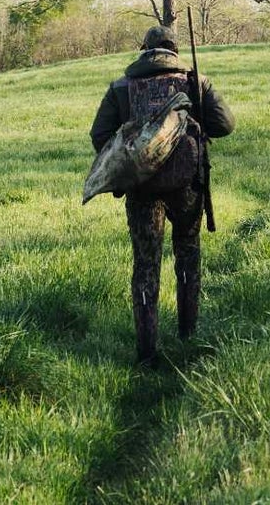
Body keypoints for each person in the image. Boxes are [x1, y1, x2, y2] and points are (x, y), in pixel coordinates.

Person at [90, 23, 234, 366]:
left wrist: (130, 165)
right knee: (187, 253)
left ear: (144, 49)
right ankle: (188, 335)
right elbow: (225, 125)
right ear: (175, 51)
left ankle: (147, 353)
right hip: (187, 185)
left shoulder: (121, 88)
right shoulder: (194, 81)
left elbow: (99, 136)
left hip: (142, 191)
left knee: (146, 266)